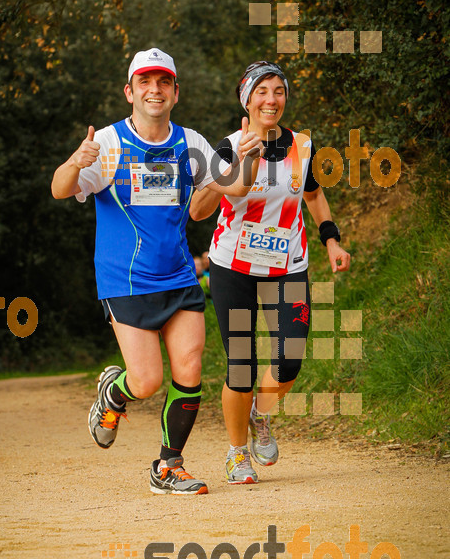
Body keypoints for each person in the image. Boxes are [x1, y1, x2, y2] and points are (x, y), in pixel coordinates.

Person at [52, 48, 263, 495]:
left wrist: (248, 157)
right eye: (145, 82)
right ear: (129, 92)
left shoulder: (190, 143)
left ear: (175, 93)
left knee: (190, 365)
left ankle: (168, 466)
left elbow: (233, 187)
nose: (155, 90)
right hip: (124, 280)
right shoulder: (108, 143)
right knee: (146, 381)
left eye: (163, 82)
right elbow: (59, 189)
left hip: (180, 276)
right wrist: (75, 162)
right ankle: (115, 392)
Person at [190, 60, 351, 484]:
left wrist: (331, 240)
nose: (271, 99)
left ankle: (260, 413)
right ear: (247, 99)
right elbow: (198, 210)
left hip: (287, 264)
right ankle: (236, 453)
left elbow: (314, 196)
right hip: (233, 266)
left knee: (291, 359)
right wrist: (231, 169)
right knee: (241, 366)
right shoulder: (227, 147)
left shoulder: (303, 145)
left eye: (278, 91)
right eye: (262, 91)